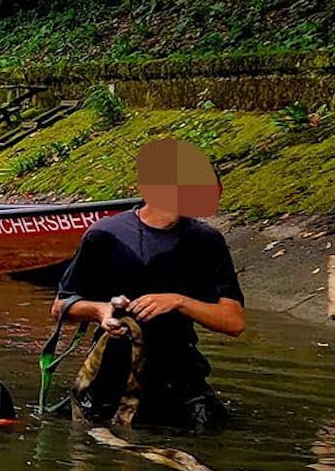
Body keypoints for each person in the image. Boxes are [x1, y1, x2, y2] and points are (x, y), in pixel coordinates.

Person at [51, 138, 245, 430]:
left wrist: (178, 301)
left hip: (179, 374)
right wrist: (101, 312)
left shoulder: (207, 241)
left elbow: (233, 323)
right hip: (112, 371)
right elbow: (60, 308)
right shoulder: (106, 234)